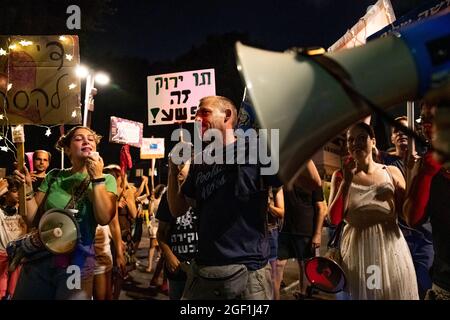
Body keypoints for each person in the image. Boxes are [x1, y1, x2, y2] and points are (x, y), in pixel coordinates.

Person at [168, 95, 321, 300]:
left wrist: (286, 136)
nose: (196, 119)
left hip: (248, 274)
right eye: (196, 114)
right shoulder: (200, 160)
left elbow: (312, 182)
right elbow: (177, 210)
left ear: (228, 116)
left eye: (204, 112)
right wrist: (171, 170)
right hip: (204, 272)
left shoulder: (256, 149)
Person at [13, 126, 117, 300]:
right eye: (78, 138)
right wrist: (27, 189)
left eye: (90, 139)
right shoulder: (54, 176)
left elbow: (104, 217)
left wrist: (96, 178)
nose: (86, 141)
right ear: (67, 149)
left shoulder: (107, 179)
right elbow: (32, 219)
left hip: (77, 263)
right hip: (41, 258)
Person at [327, 122, 418, 300]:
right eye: (351, 140)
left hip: (389, 248)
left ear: (373, 141)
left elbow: (407, 215)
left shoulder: (391, 172)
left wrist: (412, 174)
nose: (355, 143)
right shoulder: (339, 175)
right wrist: (346, 182)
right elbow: (334, 219)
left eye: (362, 138)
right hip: (357, 249)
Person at [404, 103, 450, 300]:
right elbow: (412, 218)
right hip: (445, 281)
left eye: (433, 117)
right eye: (423, 119)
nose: (426, 125)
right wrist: (426, 175)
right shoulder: (424, 167)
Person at [273, 180, 327, 300]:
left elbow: (321, 209)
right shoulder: (285, 176)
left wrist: (317, 234)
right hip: (284, 230)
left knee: (304, 265)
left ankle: (303, 294)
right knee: (277, 265)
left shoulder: (313, 180)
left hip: (305, 231)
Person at [0, 177, 27, 299]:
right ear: (6, 194)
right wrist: (2, 188)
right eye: (15, 191)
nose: (19, 194)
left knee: (14, 291)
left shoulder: (23, 211)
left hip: (18, 256)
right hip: (2, 257)